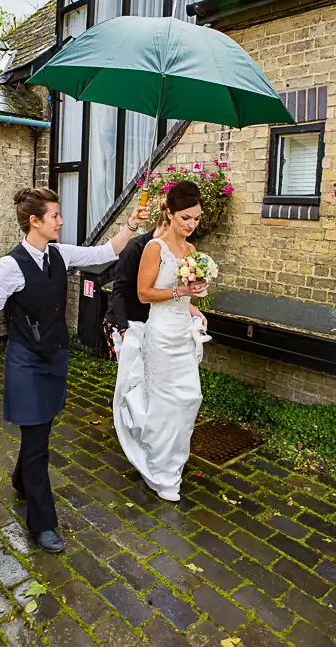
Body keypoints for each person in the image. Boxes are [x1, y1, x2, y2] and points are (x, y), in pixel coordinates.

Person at [0, 187, 148, 554]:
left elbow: (105, 252)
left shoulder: (59, 254)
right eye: (55, 216)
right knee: (38, 445)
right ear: (35, 221)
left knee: (41, 429)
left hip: (54, 358)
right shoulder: (10, 266)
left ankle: (20, 478)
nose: (61, 221)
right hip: (25, 362)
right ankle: (42, 524)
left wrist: (130, 225)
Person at [113, 181, 210, 502]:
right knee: (166, 403)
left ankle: (172, 464)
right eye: (186, 218)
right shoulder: (155, 248)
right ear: (169, 214)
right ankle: (160, 469)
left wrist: (195, 308)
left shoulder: (192, 252)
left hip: (183, 333)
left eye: (196, 218)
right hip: (161, 335)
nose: (192, 225)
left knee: (190, 399)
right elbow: (144, 293)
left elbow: (184, 295)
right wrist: (182, 292)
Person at [103, 205, 207, 362]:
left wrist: (191, 308)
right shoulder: (133, 248)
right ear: (165, 226)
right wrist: (124, 330)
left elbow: (167, 289)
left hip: (153, 323)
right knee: (132, 376)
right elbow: (119, 292)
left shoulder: (176, 250)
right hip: (126, 320)